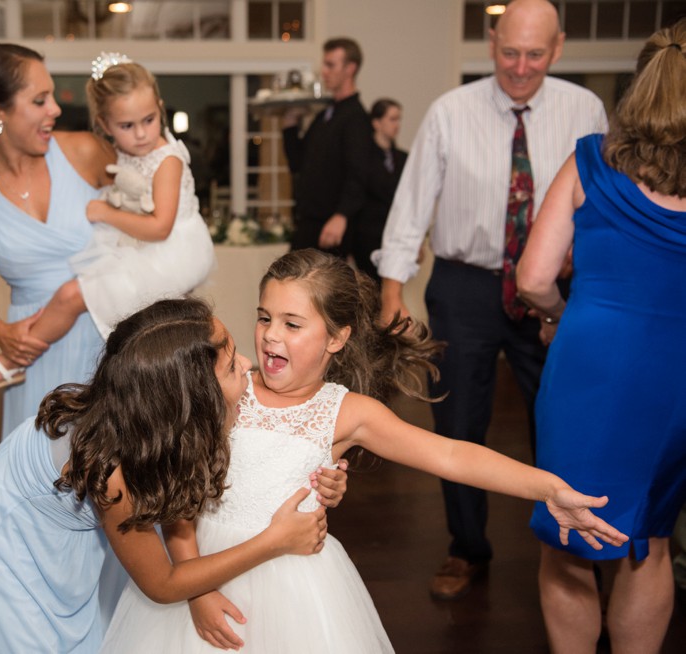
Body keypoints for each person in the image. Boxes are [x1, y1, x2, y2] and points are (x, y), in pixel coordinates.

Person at [98, 249, 628, 653]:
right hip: (202, 569)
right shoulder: (228, 386)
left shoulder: (347, 412)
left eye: (291, 324)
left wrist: (548, 487)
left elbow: (450, 456)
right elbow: (181, 502)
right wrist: (197, 590)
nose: (268, 337)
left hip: (298, 585)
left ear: (336, 337)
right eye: (263, 317)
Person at [373, 0, 608, 600]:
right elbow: (412, 204)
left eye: (535, 54)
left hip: (555, 288)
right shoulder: (451, 112)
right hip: (465, 285)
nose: (521, 67)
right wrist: (393, 289)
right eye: (510, 52)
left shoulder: (585, 110)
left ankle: (569, 549)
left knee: (562, 419)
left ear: (557, 49)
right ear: (490, 42)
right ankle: (467, 547)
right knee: (458, 423)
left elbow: (602, 203)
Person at [0, 298, 341, 652]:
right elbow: (163, 584)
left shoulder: (147, 415)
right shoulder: (113, 471)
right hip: (5, 546)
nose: (247, 366)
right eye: (231, 363)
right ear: (191, 396)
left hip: (60, 538)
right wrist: (273, 541)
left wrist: (321, 471)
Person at [516, 19, 686, 652]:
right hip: (676, 379)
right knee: (652, 537)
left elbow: (533, 278)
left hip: (590, 365)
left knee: (570, 535)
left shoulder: (591, 159)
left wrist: (558, 314)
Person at [0, 53, 215, 391]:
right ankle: (13, 357)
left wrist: (106, 213)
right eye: (40, 99)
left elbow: (157, 225)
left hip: (155, 265)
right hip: (49, 324)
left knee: (71, 294)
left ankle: (10, 362)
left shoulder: (138, 155)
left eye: (148, 120)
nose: (55, 109)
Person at [0, 44, 113, 437]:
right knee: (42, 471)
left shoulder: (84, 152)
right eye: (40, 100)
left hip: (109, 335)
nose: (55, 108)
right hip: (35, 352)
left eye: (51, 96)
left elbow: (144, 217)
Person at [282, 37, 374, 257]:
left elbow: (359, 174)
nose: (324, 72)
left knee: (319, 289)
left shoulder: (356, 118)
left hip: (331, 226)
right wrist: (290, 124)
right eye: (324, 64)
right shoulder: (325, 114)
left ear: (350, 68)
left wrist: (341, 216)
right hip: (309, 221)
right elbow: (298, 163)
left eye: (330, 65)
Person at [353, 98, 407, 282]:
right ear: (376, 123)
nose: (397, 125)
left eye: (398, 119)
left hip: (395, 237)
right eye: (392, 119)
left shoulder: (403, 159)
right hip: (367, 238)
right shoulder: (362, 159)